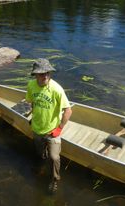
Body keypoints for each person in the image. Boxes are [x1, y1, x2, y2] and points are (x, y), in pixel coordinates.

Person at [26, 58, 72, 193]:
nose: (45, 76)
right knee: (40, 154)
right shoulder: (31, 85)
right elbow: (32, 102)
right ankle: (41, 166)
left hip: (52, 131)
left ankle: (54, 180)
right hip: (37, 128)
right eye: (41, 73)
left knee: (54, 157)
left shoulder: (56, 89)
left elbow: (68, 110)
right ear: (35, 75)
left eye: (47, 73)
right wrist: (32, 117)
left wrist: (59, 128)